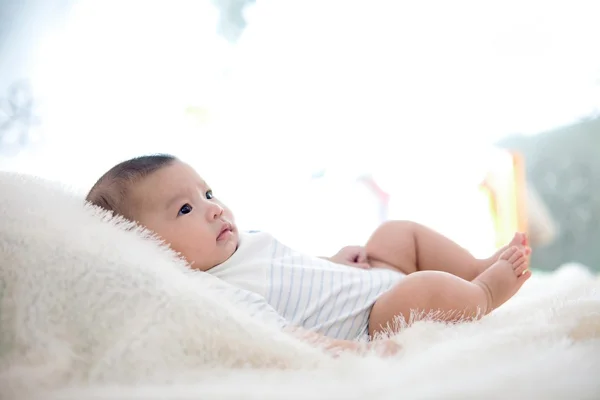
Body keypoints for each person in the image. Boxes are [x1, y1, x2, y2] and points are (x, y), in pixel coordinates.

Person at [86, 154, 531, 355]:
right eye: (185, 209)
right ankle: (484, 292)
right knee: (424, 288)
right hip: (372, 316)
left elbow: (295, 267)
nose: (213, 208)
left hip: (368, 279)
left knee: (396, 233)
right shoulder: (217, 294)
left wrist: (335, 260)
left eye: (207, 192)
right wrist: (350, 353)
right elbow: (287, 338)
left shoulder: (243, 243)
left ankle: (473, 265)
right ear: (149, 251)